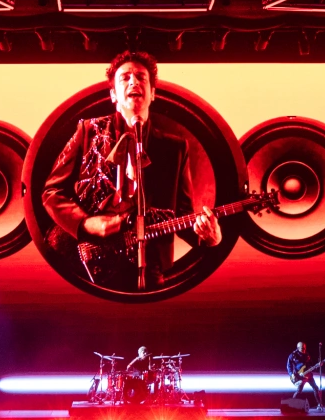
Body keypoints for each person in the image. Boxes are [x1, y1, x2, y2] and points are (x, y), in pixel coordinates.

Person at [41, 50, 221, 291]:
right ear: (113, 95)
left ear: (153, 93)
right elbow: (52, 192)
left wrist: (210, 237)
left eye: (141, 77)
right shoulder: (88, 131)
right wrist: (85, 224)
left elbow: (182, 215)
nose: (134, 82)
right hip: (88, 259)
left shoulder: (176, 148)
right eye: (125, 77)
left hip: (150, 262)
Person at [286, 341, 325, 410]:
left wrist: (317, 365)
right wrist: (291, 374)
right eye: (302, 348)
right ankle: (292, 404)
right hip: (299, 376)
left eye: (305, 348)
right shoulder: (293, 355)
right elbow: (288, 366)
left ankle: (319, 404)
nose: (304, 350)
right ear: (298, 348)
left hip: (309, 375)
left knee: (316, 388)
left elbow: (311, 365)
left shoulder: (307, 355)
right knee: (299, 391)